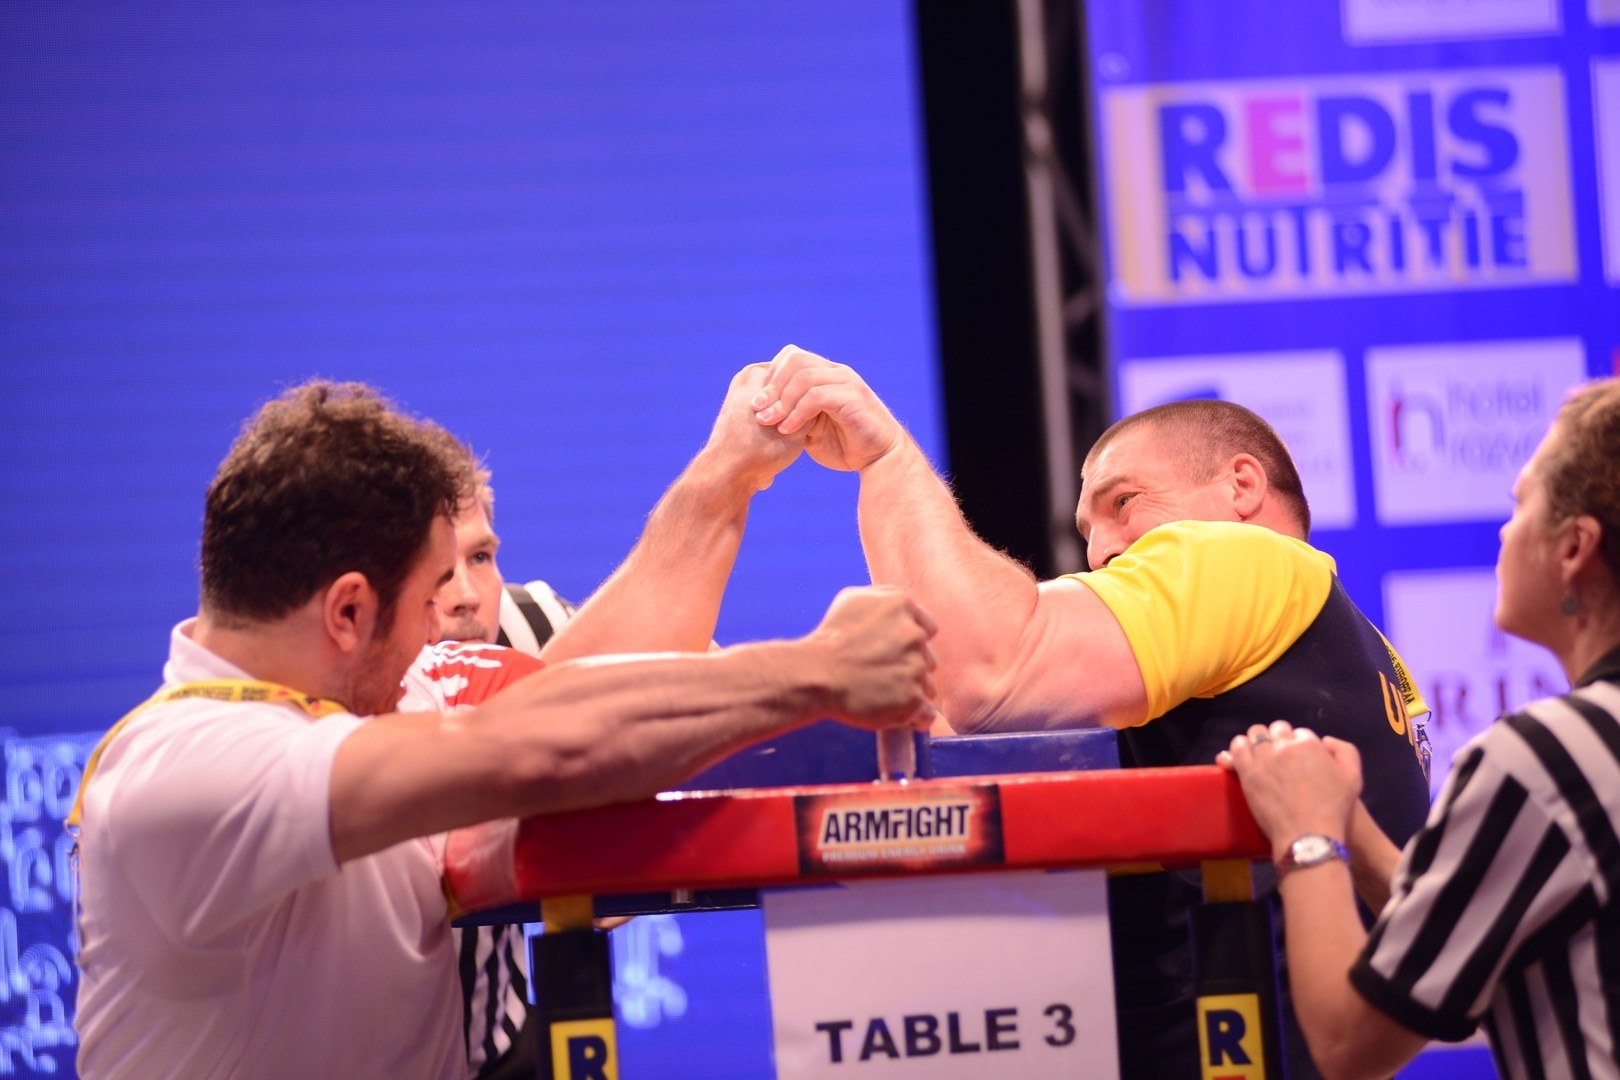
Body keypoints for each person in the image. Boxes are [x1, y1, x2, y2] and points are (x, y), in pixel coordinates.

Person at [69, 375, 938, 1080]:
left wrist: (732, 472)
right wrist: (816, 670)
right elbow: (541, 744)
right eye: (424, 600)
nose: (449, 621)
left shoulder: (366, 698)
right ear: (346, 612)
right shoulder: (184, 772)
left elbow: (578, 683)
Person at [748, 346, 1433, 1078]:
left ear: (1240, 486)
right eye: (1086, 530)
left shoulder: (1256, 563)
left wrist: (884, 456)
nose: (1101, 549)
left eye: (1124, 503)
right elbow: (952, 719)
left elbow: (986, 674)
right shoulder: (1374, 664)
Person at [1221, 377, 1620, 1079]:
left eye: (1520, 503)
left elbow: (1349, 1046)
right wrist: (1351, 823)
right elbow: (1477, 912)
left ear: (1574, 549)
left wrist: (1307, 834)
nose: (1505, 530)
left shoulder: (1545, 760)